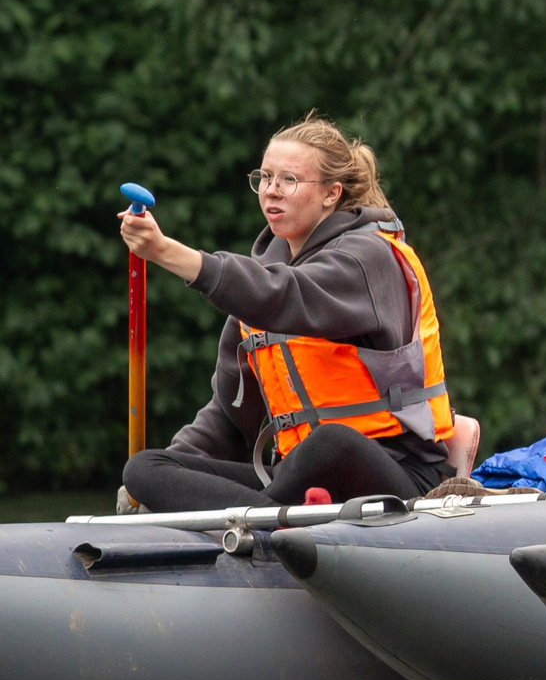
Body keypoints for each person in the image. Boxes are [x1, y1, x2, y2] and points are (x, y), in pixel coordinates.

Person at [118, 116, 460, 512]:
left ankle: (266, 519)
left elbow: (283, 296)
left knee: (329, 441)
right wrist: (161, 486)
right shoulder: (259, 282)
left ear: (331, 194)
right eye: (265, 177)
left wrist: (165, 252)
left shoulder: (367, 259)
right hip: (294, 479)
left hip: (396, 472)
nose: (271, 191)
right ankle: (274, 519)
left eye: (289, 180)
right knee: (143, 468)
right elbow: (228, 421)